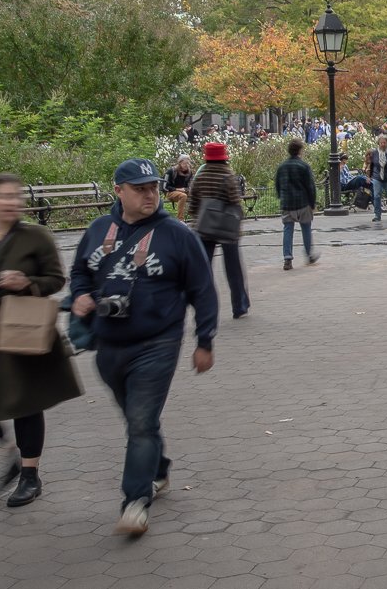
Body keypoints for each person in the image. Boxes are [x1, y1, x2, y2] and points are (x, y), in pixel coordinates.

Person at [70, 159, 218, 536]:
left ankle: (135, 502)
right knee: (139, 421)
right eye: (139, 188)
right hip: (109, 345)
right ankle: (158, 468)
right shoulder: (99, 229)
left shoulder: (176, 235)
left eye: (153, 186)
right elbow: (79, 273)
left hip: (158, 342)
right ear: (119, 191)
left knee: (140, 422)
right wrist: (82, 295)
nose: (150, 193)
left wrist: (205, 340)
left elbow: (202, 289)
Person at [0, 173, 83, 508]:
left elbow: (56, 279)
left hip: (17, 327)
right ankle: (9, 452)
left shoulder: (35, 237)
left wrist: (26, 282)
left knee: (27, 402)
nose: (10, 202)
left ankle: (29, 474)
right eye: (2, 196)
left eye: (15, 196)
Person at [188, 142, 249, 320]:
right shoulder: (227, 175)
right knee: (233, 268)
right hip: (227, 228)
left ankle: (205, 307)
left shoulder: (200, 175)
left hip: (204, 227)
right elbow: (235, 201)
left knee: (204, 270)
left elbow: (193, 204)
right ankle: (239, 306)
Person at [274, 139, 318, 270]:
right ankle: (309, 255)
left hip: (287, 203)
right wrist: (312, 202)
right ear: (300, 150)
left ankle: (287, 258)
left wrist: (281, 197)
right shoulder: (304, 166)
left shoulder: (282, 166)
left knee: (288, 230)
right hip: (303, 202)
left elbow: (278, 184)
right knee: (306, 229)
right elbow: (310, 186)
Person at [367, 134, 387, 222]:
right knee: (377, 195)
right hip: (377, 177)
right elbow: (372, 165)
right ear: (378, 143)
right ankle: (377, 215)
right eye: (381, 143)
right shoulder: (374, 153)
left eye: (384, 143)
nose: (382, 144)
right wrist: (369, 176)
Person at [161, 156, 193, 221]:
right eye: (185, 163)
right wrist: (177, 189)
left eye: (188, 163)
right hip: (170, 192)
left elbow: (190, 186)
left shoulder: (189, 173)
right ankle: (180, 220)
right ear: (180, 163)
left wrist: (186, 189)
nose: (186, 165)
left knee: (197, 195)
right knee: (183, 196)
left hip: (183, 192)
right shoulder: (171, 171)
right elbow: (164, 187)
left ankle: (196, 218)